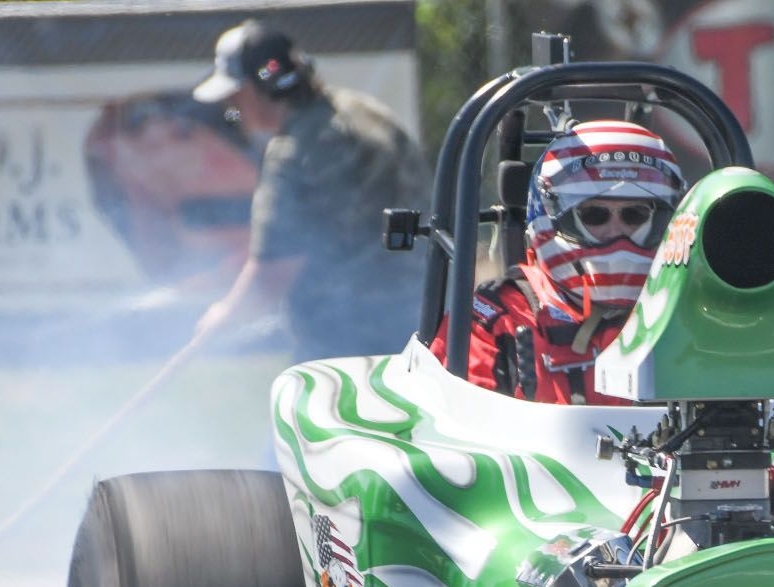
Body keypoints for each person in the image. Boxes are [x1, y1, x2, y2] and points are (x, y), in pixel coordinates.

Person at [186, 20, 431, 363]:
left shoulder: (293, 151)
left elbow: (271, 276)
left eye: (234, 98)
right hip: (423, 328)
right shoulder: (368, 112)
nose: (233, 110)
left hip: (344, 348)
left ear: (258, 89)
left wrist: (222, 318)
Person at [429, 120, 685, 403]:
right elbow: (458, 428)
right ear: (553, 220)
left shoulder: (689, 315)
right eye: (594, 215)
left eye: (635, 215)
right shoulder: (494, 321)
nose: (617, 234)